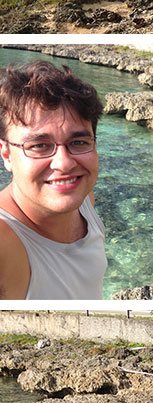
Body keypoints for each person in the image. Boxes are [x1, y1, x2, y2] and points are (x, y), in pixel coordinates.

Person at [0, 60, 107, 299]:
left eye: (78, 142)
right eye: (38, 145)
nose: (64, 163)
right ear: (6, 154)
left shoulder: (84, 201)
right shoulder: (5, 239)